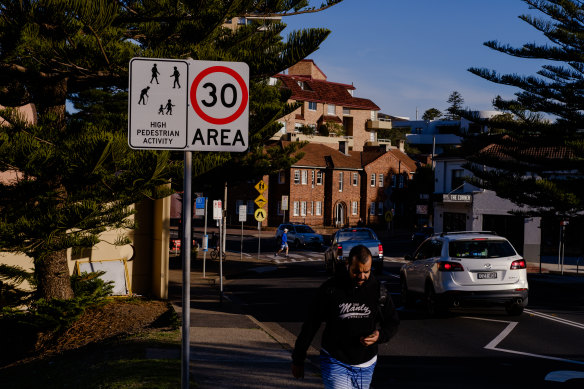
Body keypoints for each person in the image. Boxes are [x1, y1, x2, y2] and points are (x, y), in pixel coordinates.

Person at [291, 245, 399, 388]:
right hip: (335, 359)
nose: (362, 276)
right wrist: (298, 358)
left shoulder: (378, 291)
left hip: (366, 363)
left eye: (366, 271)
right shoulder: (331, 289)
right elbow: (311, 324)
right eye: (356, 271)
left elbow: (392, 321)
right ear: (348, 264)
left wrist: (380, 335)